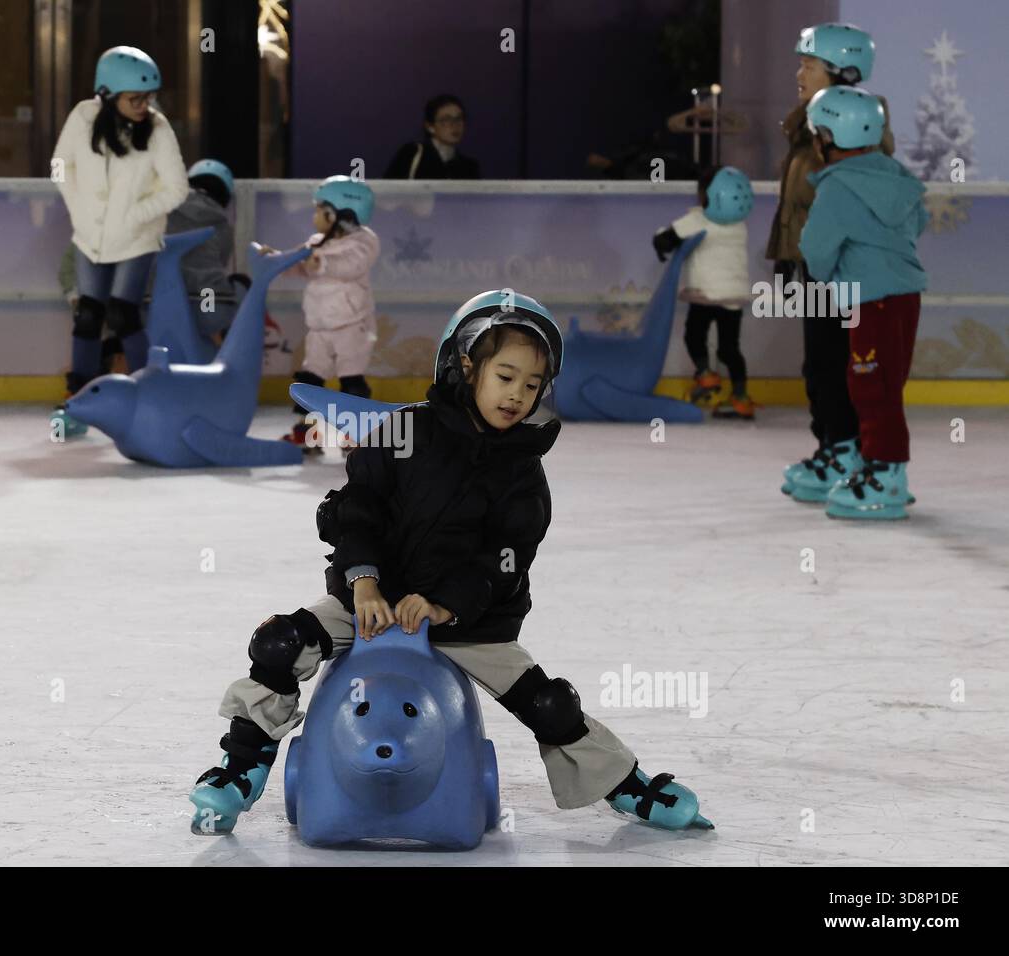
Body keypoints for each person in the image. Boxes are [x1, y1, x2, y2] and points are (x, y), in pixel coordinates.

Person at [187, 290, 712, 835]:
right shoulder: (402, 433)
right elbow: (357, 513)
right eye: (505, 377)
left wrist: (446, 605)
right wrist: (363, 582)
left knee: (551, 703)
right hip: (369, 602)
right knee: (280, 642)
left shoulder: (522, 472)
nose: (517, 396)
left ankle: (625, 784)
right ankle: (242, 767)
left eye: (532, 386)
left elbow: (504, 560)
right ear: (466, 365)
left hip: (470, 621)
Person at [769, 23, 896, 495]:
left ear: (841, 71)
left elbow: (859, 190)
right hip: (816, 264)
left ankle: (848, 450)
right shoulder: (808, 122)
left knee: (839, 362)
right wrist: (786, 259)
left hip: (846, 269)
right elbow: (796, 206)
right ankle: (834, 447)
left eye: (808, 64)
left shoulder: (859, 125)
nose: (798, 72)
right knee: (819, 364)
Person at [796, 87, 926, 519]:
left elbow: (815, 248)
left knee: (871, 387)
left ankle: (886, 476)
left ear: (827, 138)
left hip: (871, 301)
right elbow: (917, 222)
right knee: (885, 384)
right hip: (904, 297)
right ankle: (880, 467)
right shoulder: (895, 177)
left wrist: (827, 276)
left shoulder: (837, 189)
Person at [49, 46, 188, 437]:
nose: (145, 105)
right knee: (89, 314)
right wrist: (79, 209)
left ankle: (147, 397)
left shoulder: (157, 129)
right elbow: (60, 165)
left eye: (149, 97)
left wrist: (134, 216)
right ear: (108, 94)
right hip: (89, 238)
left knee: (123, 314)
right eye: (135, 98)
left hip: (137, 239)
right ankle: (77, 401)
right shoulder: (83, 116)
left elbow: (178, 188)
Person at [270, 176, 381, 454]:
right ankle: (306, 431)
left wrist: (320, 261)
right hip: (319, 326)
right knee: (310, 380)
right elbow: (300, 264)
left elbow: (350, 266)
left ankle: (357, 433)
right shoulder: (317, 242)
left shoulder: (364, 242)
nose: (315, 216)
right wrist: (276, 261)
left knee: (351, 381)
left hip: (352, 326)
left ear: (337, 214)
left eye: (319, 210)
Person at [652, 166, 756, 418]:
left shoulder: (698, 221)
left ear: (707, 195)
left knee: (694, 336)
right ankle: (741, 397)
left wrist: (660, 241)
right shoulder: (740, 226)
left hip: (705, 295)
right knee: (729, 349)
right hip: (733, 296)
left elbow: (666, 238)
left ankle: (706, 374)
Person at [162, 158, 248, 346]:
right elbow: (220, 262)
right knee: (240, 283)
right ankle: (224, 344)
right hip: (206, 303)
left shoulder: (162, 210)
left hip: (156, 305)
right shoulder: (222, 225)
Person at [383, 94, 480, 179]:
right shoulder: (412, 154)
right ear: (430, 127)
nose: (454, 125)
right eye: (446, 119)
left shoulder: (469, 167)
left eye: (459, 119)